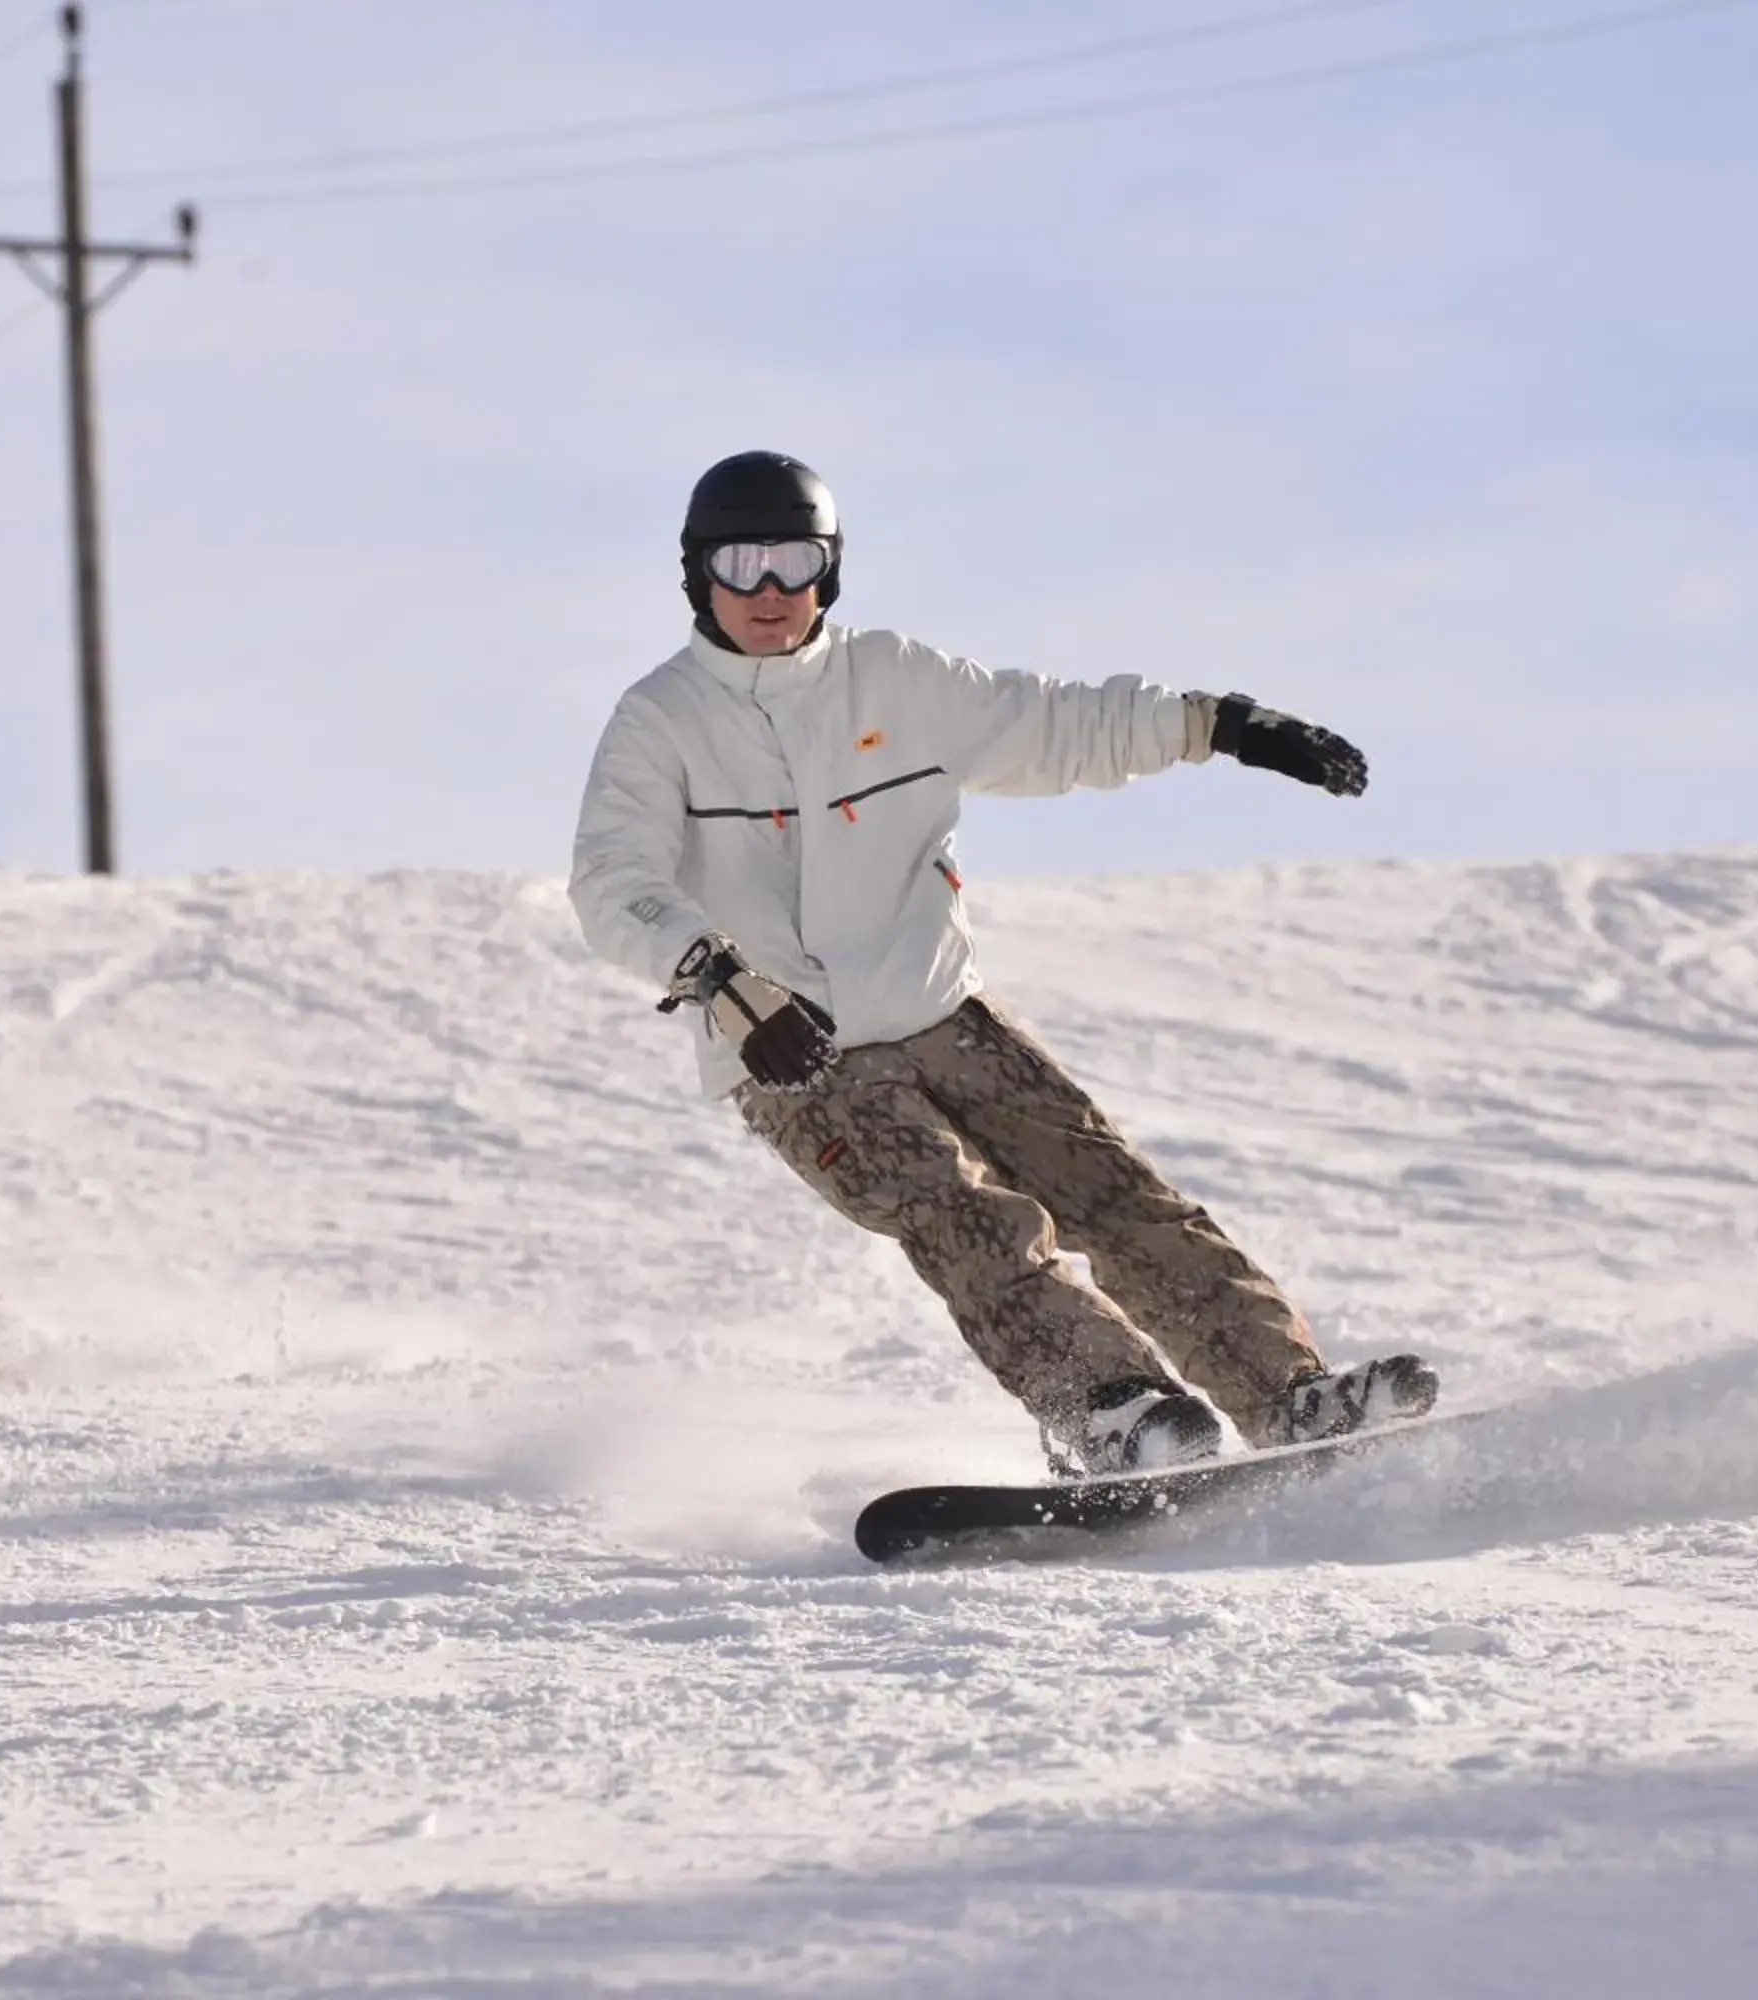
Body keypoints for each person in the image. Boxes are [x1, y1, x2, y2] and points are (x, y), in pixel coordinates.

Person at [570, 450, 1433, 1476]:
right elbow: (612, 880)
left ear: (829, 570)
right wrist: (721, 978)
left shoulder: (892, 678)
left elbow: (1057, 722)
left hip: (942, 1006)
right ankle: (1114, 1406)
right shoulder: (661, 718)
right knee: (961, 1211)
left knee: (1116, 1191)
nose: (770, 591)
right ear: (697, 573)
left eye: (795, 561)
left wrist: (1220, 724)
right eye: (742, 562)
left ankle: (1288, 1395)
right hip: (791, 1042)